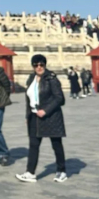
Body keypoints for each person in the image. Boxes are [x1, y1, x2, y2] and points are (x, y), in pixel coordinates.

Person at [16, 55, 67, 183]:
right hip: (34, 116)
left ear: (45, 65)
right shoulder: (31, 78)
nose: (38, 67)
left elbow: (60, 98)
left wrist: (46, 110)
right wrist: (28, 115)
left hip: (51, 116)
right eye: (35, 65)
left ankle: (61, 170)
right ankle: (30, 172)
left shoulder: (52, 78)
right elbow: (29, 99)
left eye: (41, 65)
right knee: (33, 145)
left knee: (56, 144)